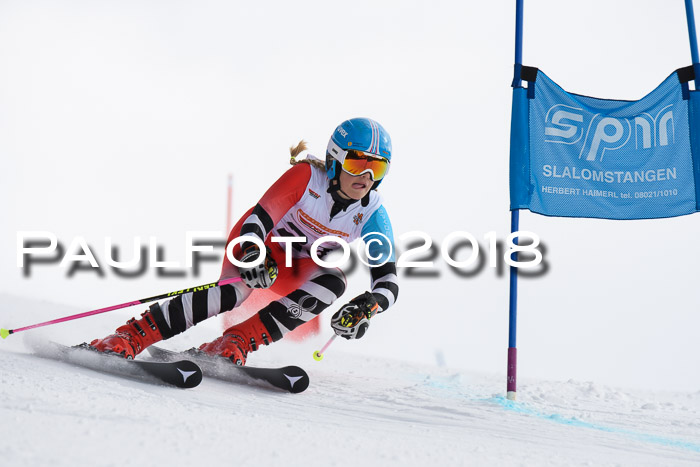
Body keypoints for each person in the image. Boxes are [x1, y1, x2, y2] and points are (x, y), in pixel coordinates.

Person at [88, 117, 399, 365]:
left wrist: (368, 307)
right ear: (335, 159)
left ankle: (235, 340)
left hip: (296, 266)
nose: (367, 177)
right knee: (233, 294)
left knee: (334, 282)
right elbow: (258, 220)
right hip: (256, 244)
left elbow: (388, 282)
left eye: (378, 167)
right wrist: (252, 253)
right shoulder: (307, 177)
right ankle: (131, 335)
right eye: (358, 164)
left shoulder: (372, 213)